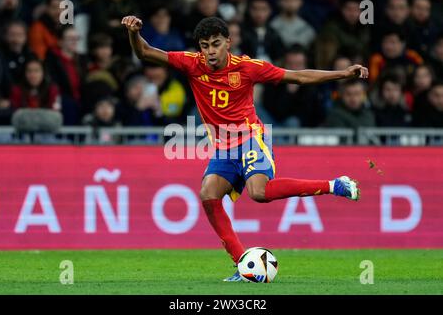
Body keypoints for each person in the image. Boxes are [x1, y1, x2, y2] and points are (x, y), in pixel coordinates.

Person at [122, 15, 367, 281]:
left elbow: (297, 77)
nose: (210, 51)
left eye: (216, 43)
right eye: (205, 45)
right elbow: (144, 52)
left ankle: (335, 184)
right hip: (223, 147)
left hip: (250, 137)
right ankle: (242, 264)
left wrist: (342, 74)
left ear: (229, 42)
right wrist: (134, 33)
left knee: (259, 193)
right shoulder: (192, 64)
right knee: (208, 194)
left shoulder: (248, 68)